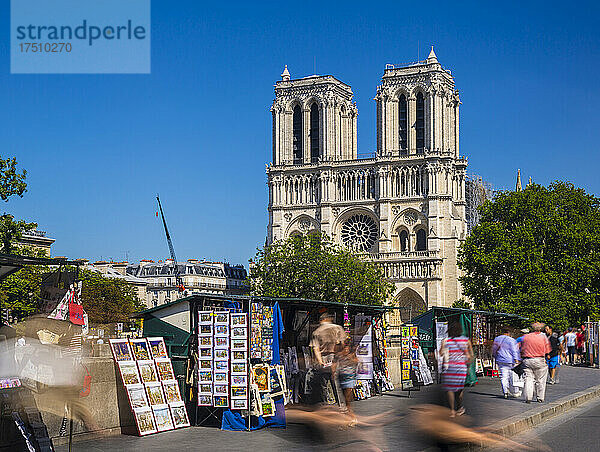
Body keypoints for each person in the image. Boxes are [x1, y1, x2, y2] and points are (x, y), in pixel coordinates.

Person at [310, 311, 346, 406]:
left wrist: (320, 361)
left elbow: (315, 348)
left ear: (321, 320)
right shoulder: (337, 328)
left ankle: (326, 404)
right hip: (335, 357)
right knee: (336, 383)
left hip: (324, 358)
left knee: (324, 384)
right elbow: (343, 344)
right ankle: (341, 405)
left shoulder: (317, 332)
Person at [440, 320, 473, 417]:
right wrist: (468, 364)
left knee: (449, 389)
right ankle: (459, 407)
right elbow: (470, 355)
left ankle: (451, 411)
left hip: (450, 367)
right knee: (459, 389)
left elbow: (441, 353)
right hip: (461, 368)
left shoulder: (446, 341)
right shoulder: (466, 340)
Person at [520, 322, 551, 403]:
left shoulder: (526, 337)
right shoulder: (543, 337)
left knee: (528, 379)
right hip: (539, 360)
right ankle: (540, 397)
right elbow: (547, 350)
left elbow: (520, 348)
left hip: (527, 360)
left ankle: (528, 397)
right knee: (540, 379)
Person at [491, 327, 521, 398]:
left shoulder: (497, 339)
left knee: (503, 376)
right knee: (514, 376)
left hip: (501, 360)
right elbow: (514, 351)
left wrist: (495, 356)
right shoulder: (511, 340)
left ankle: (505, 392)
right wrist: (517, 360)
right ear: (509, 333)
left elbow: (494, 349)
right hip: (511, 361)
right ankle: (516, 391)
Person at [335, 339, 359, 419]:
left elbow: (356, 361)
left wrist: (350, 359)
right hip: (342, 378)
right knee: (345, 400)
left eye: (346, 347)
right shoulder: (339, 354)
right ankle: (349, 416)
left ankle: (352, 417)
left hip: (349, 379)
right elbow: (335, 363)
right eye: (344, 347)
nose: (345, 348)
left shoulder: (351, 355)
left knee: (347, 399)